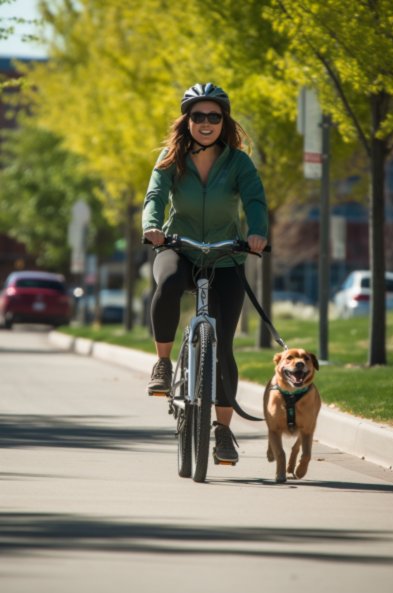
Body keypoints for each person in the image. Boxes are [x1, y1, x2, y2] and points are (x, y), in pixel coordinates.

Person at [142, 82, 268, 464]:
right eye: (199, 116)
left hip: (226, 255)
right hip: (178, 248)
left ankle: (223, 431)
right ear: (188, 120)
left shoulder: (238, 162)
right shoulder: (171, 157)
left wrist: (257, 232)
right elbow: (155, 196)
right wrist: (152, 226)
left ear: (223, 121)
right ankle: (163, 362)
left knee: (223, 347)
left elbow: (255, 200)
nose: (207, 122)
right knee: (165, 284)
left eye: (214, 116)